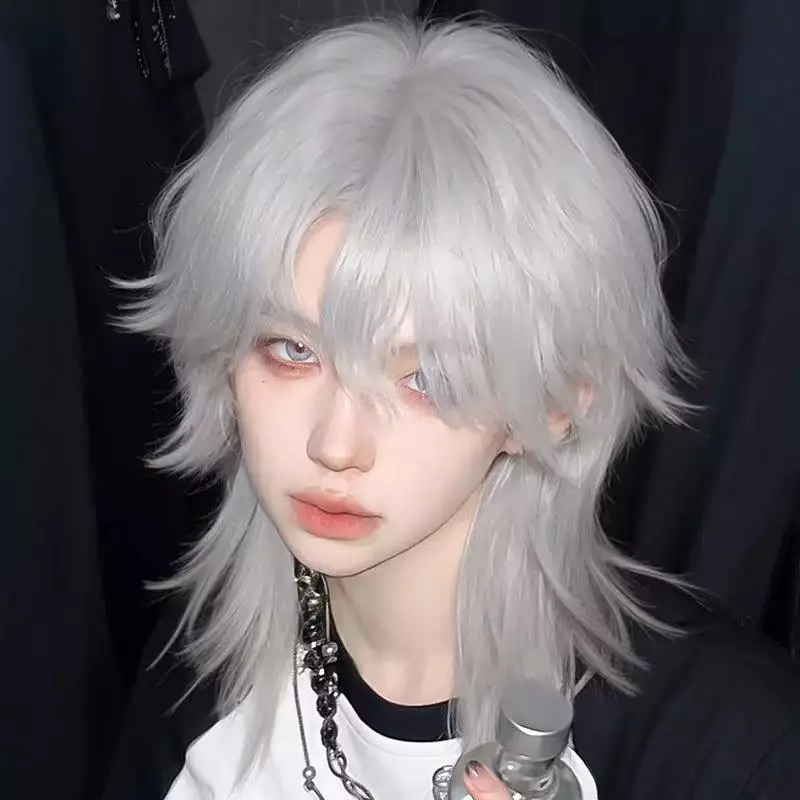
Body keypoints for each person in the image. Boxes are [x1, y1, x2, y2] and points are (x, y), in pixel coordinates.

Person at [103, 17, 800, 800]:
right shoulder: (195, 672)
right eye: (292, 349)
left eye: (428, 377)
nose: (336, 443)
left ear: (557, 404)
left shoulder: (733, 748)